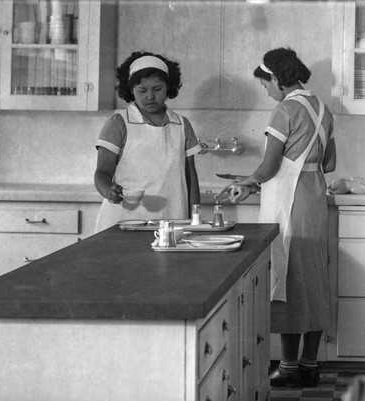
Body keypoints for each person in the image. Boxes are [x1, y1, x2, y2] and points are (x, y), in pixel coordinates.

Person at [216, 47, 336, 388]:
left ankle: (286, 367)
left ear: (277, 79)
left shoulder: (286, 109)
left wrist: (246, 181)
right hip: (313, 202)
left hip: (290, 206)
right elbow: (328, 163)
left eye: (265, 84)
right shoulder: (323, 109)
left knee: (285, 280)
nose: (266, 91)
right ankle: (309, 366)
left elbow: (269, 167)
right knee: (312, 282)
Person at [94, 51, 203, 232]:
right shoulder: (119, 123)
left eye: (157, 89)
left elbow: (190, 176)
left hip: (173, 219)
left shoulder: (181, 125)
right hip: (124, 222)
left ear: (168, 87)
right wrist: (108, 191)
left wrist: (196, 219)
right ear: (131, 90)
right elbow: (102, 173)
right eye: (142, 90)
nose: (150, 96)